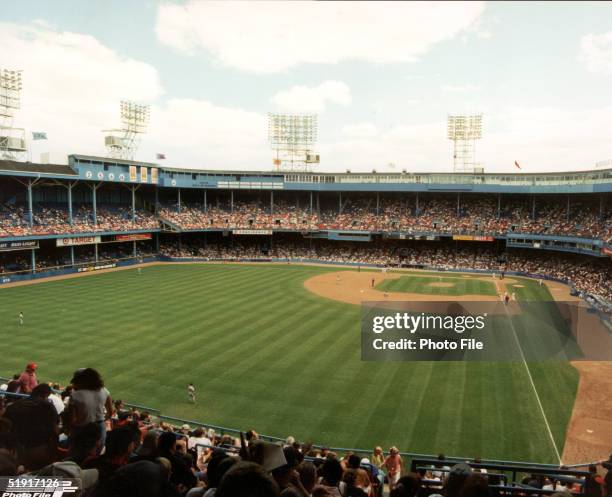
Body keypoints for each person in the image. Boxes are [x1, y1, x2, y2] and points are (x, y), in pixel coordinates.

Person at [66, 368, 114, 446]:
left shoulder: (75, 395)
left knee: (78, 454)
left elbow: (72, 420)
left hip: (82, 429)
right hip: (100, 427)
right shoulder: (104, 390)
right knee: (98, 453)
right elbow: (111, 412)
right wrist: (101, 419)